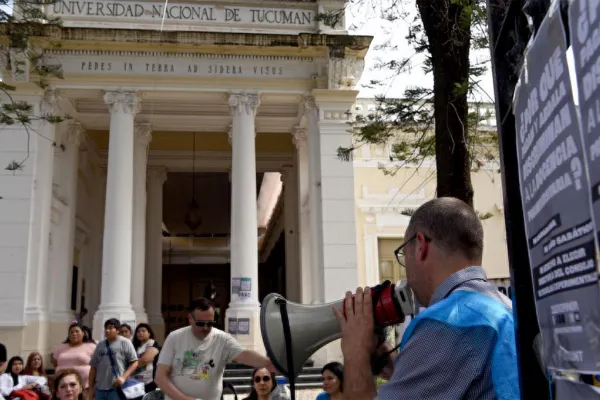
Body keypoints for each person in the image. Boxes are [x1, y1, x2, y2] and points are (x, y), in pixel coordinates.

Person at [333, 197, 520, 399]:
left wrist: (356, 351)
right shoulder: (506, 308)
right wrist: (402, 368)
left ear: (420, 246)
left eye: (404, 255)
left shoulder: (445, 323)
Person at [155, 297, 276, 400]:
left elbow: (244, 354)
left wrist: (268, 362)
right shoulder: (175, 338)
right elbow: (160, 377)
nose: (206, 328)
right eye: (201, 323)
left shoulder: (222, 339)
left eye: (210, 323)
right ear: (190, 318)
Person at [89, 319, 139, 400]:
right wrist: (91, 388)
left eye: (110, 328)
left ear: (118, 330)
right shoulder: (100, 345)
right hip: (99, 389)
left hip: (116, 388)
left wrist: (123, 377)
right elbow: (93, 368)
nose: (107, 330)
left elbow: (135, 362)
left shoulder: (125, 342)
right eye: (106, 328)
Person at [52, 322, 97, 396]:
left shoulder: (91, 346)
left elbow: (97, 366)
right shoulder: (61, 347)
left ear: (83, 333)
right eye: (71, 332)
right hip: (63, 387)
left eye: (77, 331)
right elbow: (54, 363)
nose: (74, 334)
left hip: (85, 387)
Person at [131, 323, 160, 392]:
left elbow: (145, 360)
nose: (140, 333)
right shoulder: (135, 346)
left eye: (143, 331)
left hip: (148, 382)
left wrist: (128, 370)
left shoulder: (153, 343)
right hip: (134, 382)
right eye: (138, 331)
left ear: (149, 333)